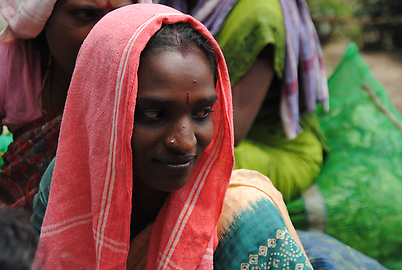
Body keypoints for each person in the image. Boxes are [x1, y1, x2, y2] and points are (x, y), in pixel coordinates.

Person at [32, 4, 313, 269]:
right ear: (104, 114)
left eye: (202, 113)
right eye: (155, 114)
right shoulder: (69, 187)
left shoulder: (245, 219)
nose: (185, 142)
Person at [158, 0, 329, 203]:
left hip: (278, 148)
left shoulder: (261, 16)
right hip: (209, 132)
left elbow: (232, 131)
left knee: (181, 166)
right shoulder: (193, 6)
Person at [0, 0, 151, 210]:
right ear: (46, 19)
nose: (105, 32)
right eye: (85, 14)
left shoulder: (155, 66)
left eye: (122, 14)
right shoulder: (10, 60)